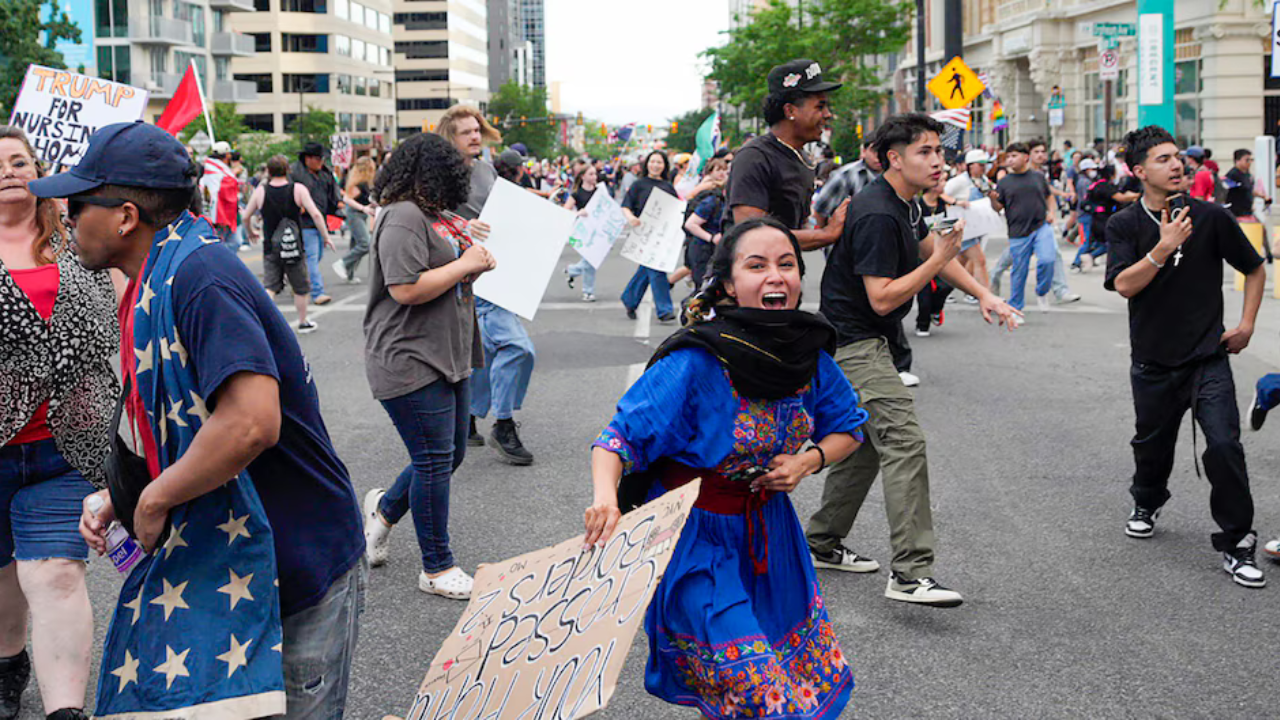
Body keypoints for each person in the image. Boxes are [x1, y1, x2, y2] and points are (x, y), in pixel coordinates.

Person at [47, 121, 365, 715]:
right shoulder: (164, 271)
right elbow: (180, 423)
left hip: (295, 562)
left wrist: (152, 500)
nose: (65, 214)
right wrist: (124, 494)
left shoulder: (199, 277)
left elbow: (250, 423)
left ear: (123, 217)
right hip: (238, 561)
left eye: (77, 200)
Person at [583, 216, 864, 719]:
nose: (776, 276)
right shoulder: (697, 360)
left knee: (780, 681)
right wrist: (605, 498)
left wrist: (807, 461)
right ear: (730, 286)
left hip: (770, 535)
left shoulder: (809, 354)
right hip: (695, 538)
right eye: (757, 266)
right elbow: (615, 440)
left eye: (787, 264)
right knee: (761, 691)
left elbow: (849, 427)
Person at [805, 113, 1020, 606]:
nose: (938, 161)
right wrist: (938, 260)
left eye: (940, 152)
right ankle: (909, 573)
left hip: (862, 340)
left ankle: (821, 541)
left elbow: (930, 250)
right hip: (854, 343)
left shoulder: (903, 204)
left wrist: (983, 295)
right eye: (926, 152)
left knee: (865, 444)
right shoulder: (879, 212)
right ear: (894, 159)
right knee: (904, 439)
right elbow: (883, 297)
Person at [1104, 125, 1266, 589]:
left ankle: (1237, 542)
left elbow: (1254, 269)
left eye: (1178, 157)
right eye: (1162, 159)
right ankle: (1147, 499)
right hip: (1153, 362)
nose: (1176, 165)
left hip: (1207, 358)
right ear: (1139, 172)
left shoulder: (1211, 217)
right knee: (1151, 449)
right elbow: (1123, 285)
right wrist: (1164, 246)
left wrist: (1247, 325)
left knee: (1223, 446)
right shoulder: (1125, 225)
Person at [0, 126, 119, 720]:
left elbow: (131, 305)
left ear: (39, 170)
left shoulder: (82, 239)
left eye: (19, 160)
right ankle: (8, 665)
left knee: (54, 576)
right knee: (4, 588)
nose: (9, 169)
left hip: (69, 443)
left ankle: (65, 712)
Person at [360, 133, 495, 601]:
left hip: (445, 352)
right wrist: (465, 265)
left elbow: (443, 273)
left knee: (448, 454)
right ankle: (436, 567)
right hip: (408, 355)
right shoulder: (402, 216)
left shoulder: (434, 215)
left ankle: (382, 514)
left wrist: (471, 264)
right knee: (435, 459)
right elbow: (406, 288)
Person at [438, 107, 537, 466]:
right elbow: (427, 214)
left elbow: (500, 212)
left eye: (477, 130)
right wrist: (465, 225)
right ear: (450, 136)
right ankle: (504, 423)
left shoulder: (485, 169)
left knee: (486, 349)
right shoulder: (439, 171)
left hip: (496, 268)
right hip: (463, 271)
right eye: (466, 132)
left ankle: (468, 417)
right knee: (515, 348)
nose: (475, 136)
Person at [725, 58, 848, 249]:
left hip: (784, 274)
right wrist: (825, 235)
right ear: (790, 110)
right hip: (749, 275)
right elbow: (751, 235)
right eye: (820, 106)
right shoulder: (754, 158)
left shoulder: (801, 157)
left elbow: (796, 229)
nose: (827, 114)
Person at [242, 154, 332, 334]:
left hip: (271, 246)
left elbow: (245, 216)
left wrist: (251, 232)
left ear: (268, 171)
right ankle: (303, 321)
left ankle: (262, 322)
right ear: (288, 170)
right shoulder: (297, 189)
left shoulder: (262, 191)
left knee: (270, 286)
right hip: (294, 245)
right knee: (300, 287)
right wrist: (326, 236)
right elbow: (315, 214)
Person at [988, 141, 1058, 312]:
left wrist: (1052, 213)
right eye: (1008, 157)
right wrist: (992, 199)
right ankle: (1016, 307)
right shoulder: (1004, 182)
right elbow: (998, 207)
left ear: (1025, 157)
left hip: (1041, 226)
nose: (1010, 160)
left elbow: (1049, 197)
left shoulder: (1038, 177)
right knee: (1019, 271)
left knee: (1048, 259)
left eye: (1014, 156)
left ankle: (1042, 291)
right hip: (1018, 232)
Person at [620, 150, 680, 323]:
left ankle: (629, 299)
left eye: (659, 162)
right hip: (643, 233)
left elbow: (676, 211)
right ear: (647, 164)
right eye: (652, 162)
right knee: (656, 269)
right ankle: (664, 310)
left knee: (649, 268)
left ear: (664, 166)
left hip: (661, 234)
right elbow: (626, 206)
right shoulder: (639, 184)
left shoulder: (668, 187)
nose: (655, 165)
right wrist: (631, 218)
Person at [291, 142, 342, 305]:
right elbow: (287, 192)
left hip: (320, 222)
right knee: (312, 258)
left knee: (315, 256)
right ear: (308, 159)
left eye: (322, 159)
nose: (321, 162)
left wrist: (338, 204)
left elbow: (333, 193)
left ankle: (299, 282)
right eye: (318, 158)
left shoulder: (325, 174)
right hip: (303, 223)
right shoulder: (295, 174)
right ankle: (317, 292)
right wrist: (297, 206)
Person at [944, 149, 993, 293]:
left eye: (985, 164)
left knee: (959, 263)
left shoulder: (984, 181)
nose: (984, 167)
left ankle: (945, 290)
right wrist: (956, 202)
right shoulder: (959, 181)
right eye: (980, 164)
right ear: (970, 165)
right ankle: (987, 294)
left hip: (977, 226)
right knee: (980, 260)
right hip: (963, 228)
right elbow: (940, 193)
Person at [681, 157, 730, 288]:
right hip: (703, 249)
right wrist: (712, 238)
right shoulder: (711, 196)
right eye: (718, 170)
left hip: (712, 249)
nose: (722, 174)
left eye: (725, 171)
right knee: (704, 289)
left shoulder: (721, 194)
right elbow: (691, 224)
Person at [812, 139, 881, 227]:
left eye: (883, 150)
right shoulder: (846, 175)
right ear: (864, 151)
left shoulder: (896, 174)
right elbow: (820, 209)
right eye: (874, 150)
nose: (878, 156)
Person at [563, 161, 604, 302]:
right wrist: (579, 212)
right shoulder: (576, 194)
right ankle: (588, 291)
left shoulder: (600, 191)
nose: (594, 176)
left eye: (595, 174)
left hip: (599, 230)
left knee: (594, 259)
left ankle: (572, 270)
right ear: (583, 177)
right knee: (591, 260)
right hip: (585, 231)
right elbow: (565, 211)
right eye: (591, 174)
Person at [333, 155, 377, 284]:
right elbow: (347, 199)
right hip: (355, 214)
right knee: (365, 244)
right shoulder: (359, 183)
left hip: (359, 214)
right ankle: (342, 263)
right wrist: (364, 208)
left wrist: (367, 207)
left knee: (355, 245)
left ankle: (349, 274)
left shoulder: (364, 182)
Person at [201, 141, 240, 252]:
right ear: (226, 155)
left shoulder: (215, 168)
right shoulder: (213, 170)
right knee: (228, 243)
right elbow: (224, 189)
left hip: (225, 213)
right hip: (220, 214)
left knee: (233, 242)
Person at [1224, 149, 1271, 223]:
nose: (1249, 163)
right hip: (1237, 214)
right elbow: (1225, 193)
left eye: (1251, 160)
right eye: (1247, 160)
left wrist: (1263, 196)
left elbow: (1248, 189)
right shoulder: (1232, 175)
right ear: (1237, 161)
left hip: (1247, 212)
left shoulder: (1247, 174)